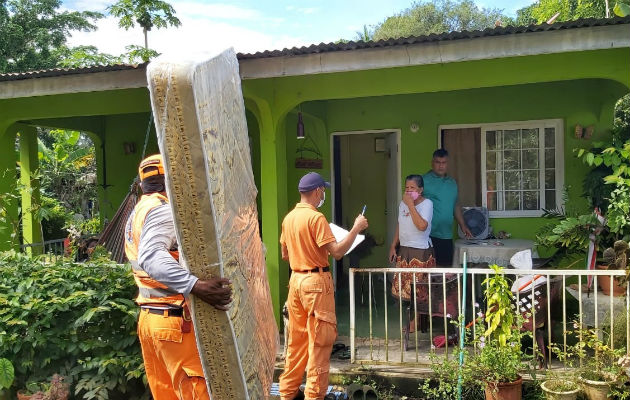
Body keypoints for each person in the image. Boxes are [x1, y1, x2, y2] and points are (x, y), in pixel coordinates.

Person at [124, 154, 232, 400]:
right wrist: (197, 286)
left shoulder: (138, 211)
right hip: (173, 323)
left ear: (143, 184)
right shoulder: (165, 211)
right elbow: (151, 256)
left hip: (151, 321)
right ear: (173, 180)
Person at [278, 172, 368, 400]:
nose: (323, 195)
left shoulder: (289, 218)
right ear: (317, 191)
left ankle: (286, 394)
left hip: (296, 281)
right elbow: (337, 252)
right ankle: (314, 396)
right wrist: (356, 228)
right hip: (316, 283)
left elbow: (285, 254)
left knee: (296, 343)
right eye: (323, 191)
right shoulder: (316, 218)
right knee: (320, 343)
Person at [388, 175, 435, 334]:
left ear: (420, 190)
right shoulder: (402, 204)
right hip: (405, 250)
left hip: (420, 251)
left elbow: (422, 226)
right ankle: (415, 320)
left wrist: (411, 206)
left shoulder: (427, 204)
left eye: (412, 188)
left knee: (420, 291)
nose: (408, 191)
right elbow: (400, 224)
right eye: (406, 188)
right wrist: (393, 245)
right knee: (406, 290)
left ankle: (417, 323)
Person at [423, 149, 472, 267]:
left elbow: (455, 205)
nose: (441, 166)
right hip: (428, 235)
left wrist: (463, 225)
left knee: (445, 271)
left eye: (444, 162)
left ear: (448, 164)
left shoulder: (452, 183)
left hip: (446, 234)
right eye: (437, 162)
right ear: (432, 163)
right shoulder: (423, 181)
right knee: (428, 270)